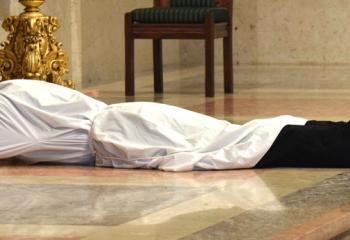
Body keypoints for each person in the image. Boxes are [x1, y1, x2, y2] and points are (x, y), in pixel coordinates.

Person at [0, 80, 349, 171]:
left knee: (233, 146)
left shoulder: (7, 104)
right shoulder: (14, 92)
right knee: (234, 139)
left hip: (128, 130)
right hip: (130, 124)